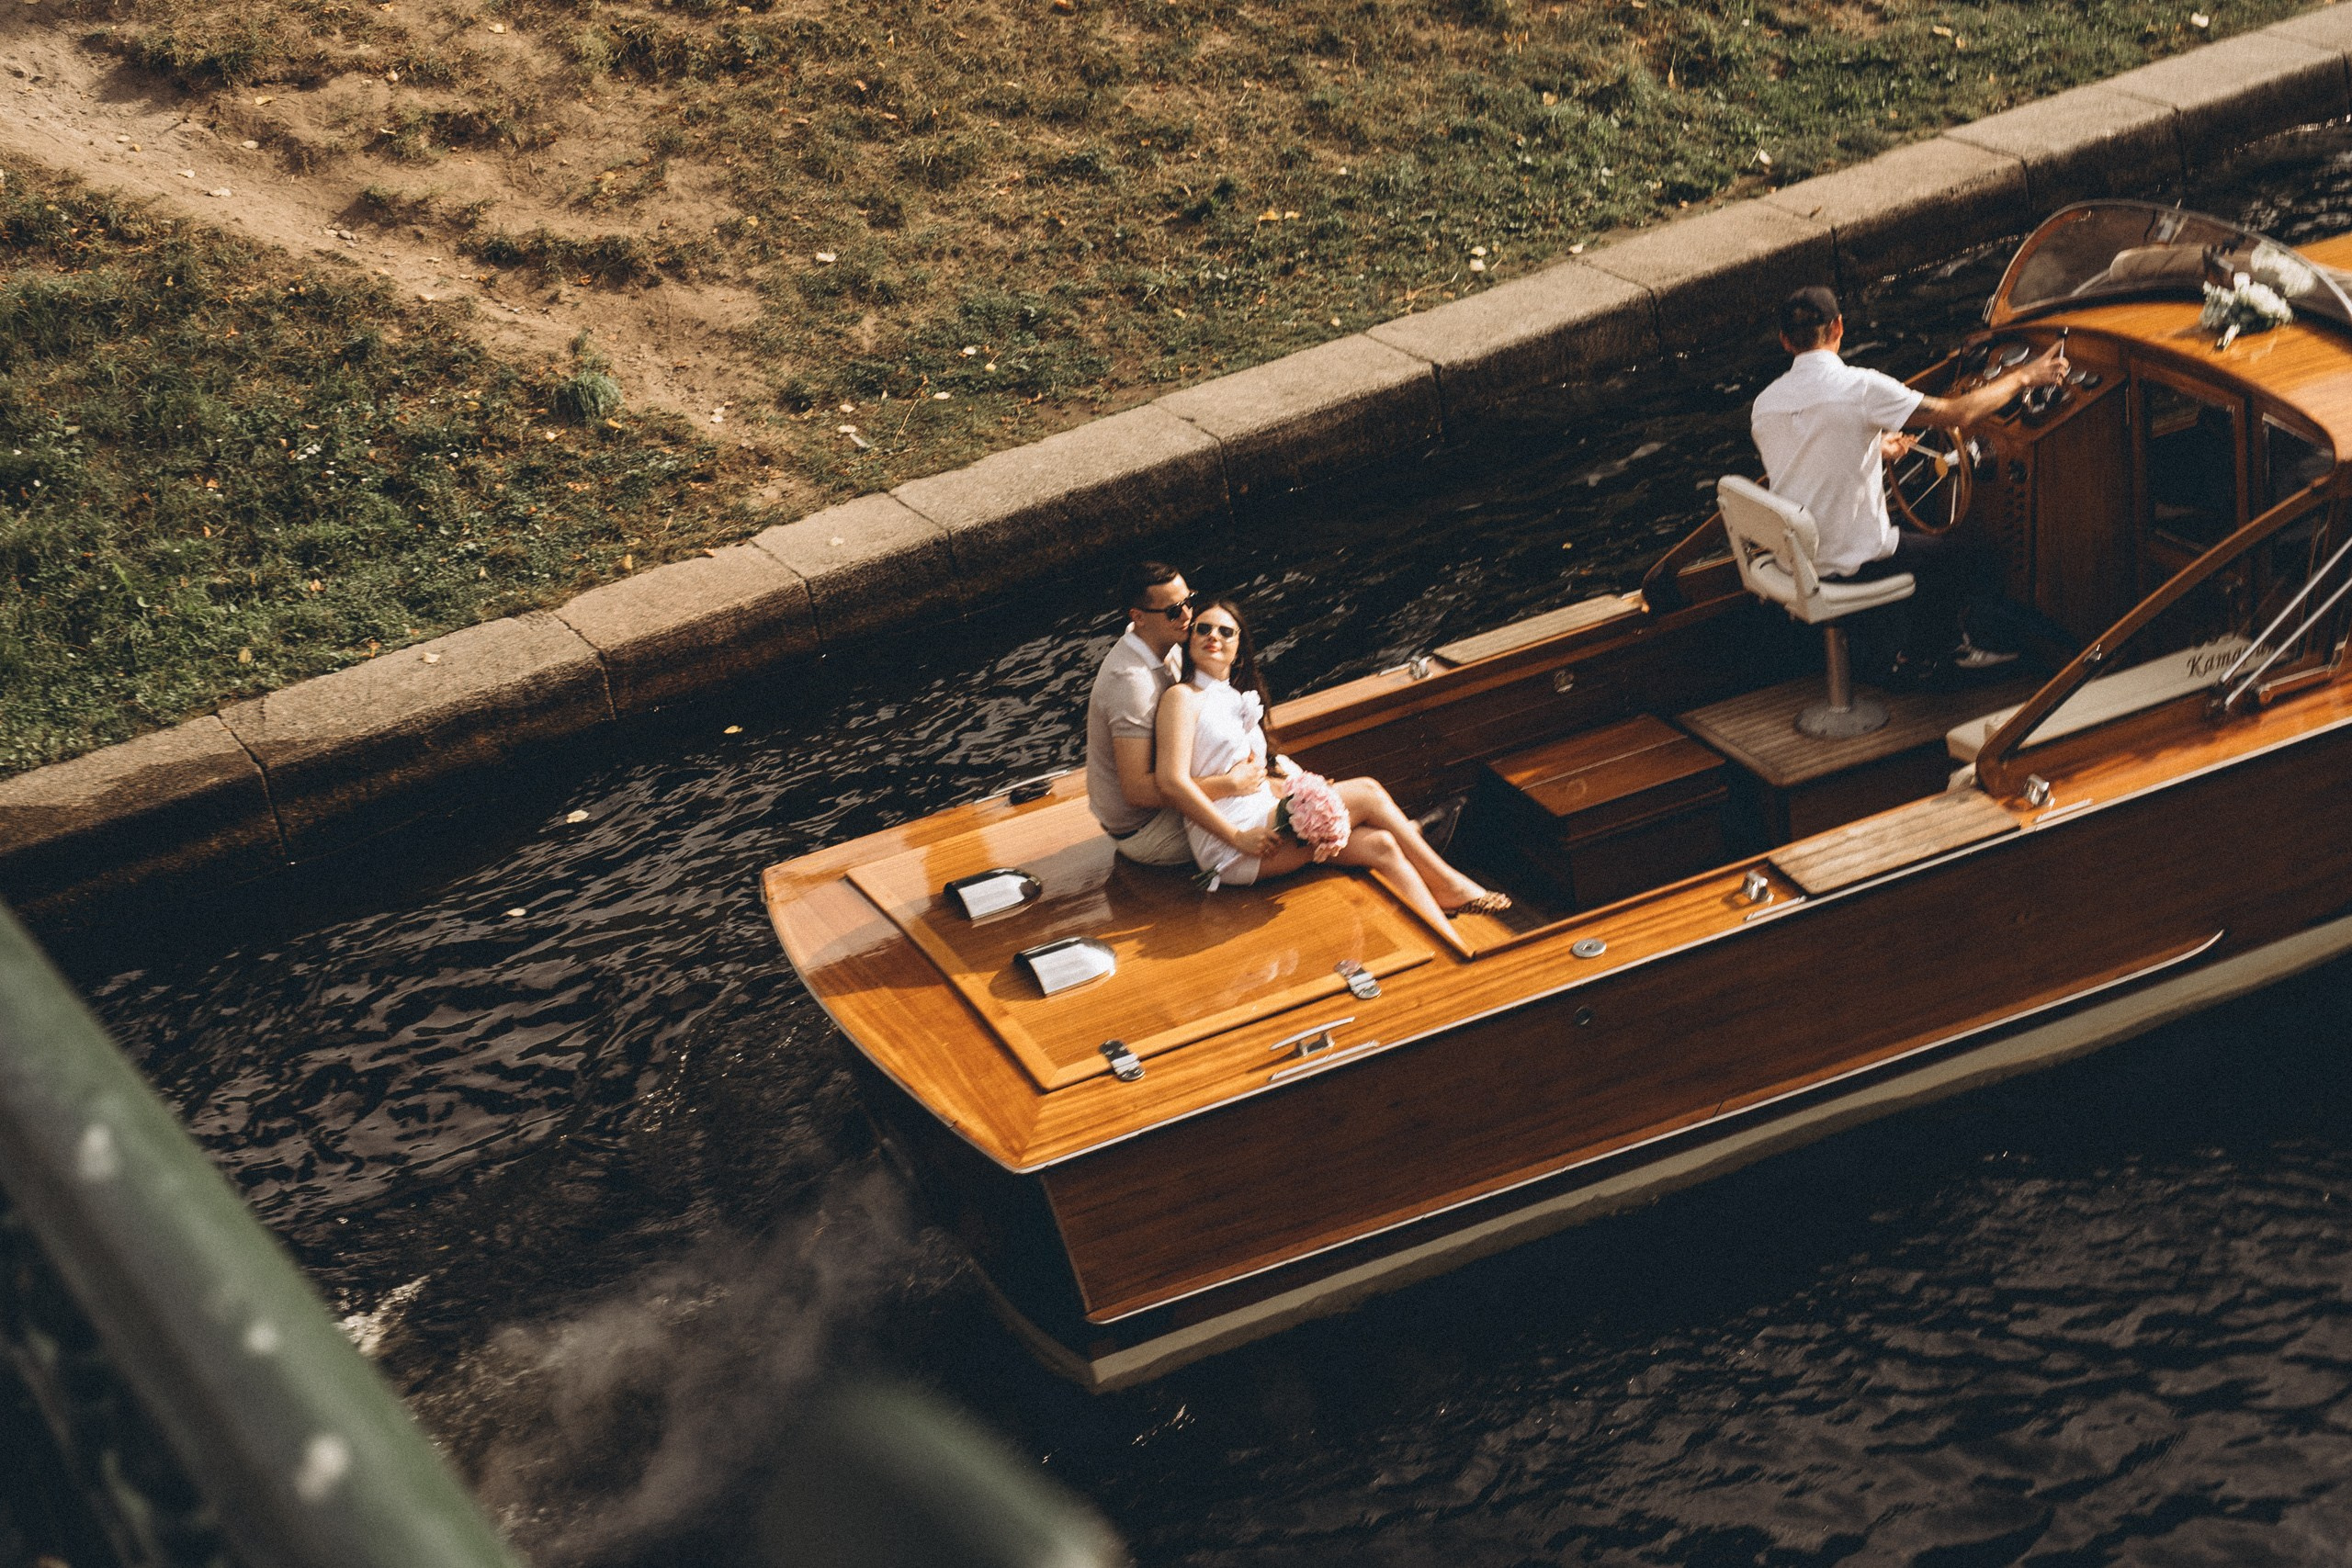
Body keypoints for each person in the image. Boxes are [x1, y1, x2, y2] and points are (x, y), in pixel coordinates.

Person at [1752, 285, 2071, 680]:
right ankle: (1933, 655)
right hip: (1847, 562)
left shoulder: (1765, 403)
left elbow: (1805, 454)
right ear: (1838, 327)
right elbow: (1959, 413)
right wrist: (2026, 375)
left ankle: (1904, 649)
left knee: (1924, 544)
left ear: (1785, 340)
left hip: (1795, 558)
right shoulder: (1862, 388)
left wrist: (1874, 446)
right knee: (1971, 557)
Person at [1153, 598, 1510, 929]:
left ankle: (1448, 937)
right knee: (1368, 791)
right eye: (1203, 628)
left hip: (1261, 818)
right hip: (1234, 841)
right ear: (1190, 641)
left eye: (1225, 631)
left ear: (1239, 651)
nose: (1212, 635)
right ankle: (1450, 884)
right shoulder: (1182, 698)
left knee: (1382, 845)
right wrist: (1237, 836)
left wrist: (1305, 791)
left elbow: (1256, 777)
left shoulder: (1235, 699)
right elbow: (1171, 783)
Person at [1086, 561, 1264, 864]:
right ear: (1137, 617)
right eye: (1173, 611)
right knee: (1277, 823)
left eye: (1189, 602)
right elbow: (1137, 791)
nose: (1187, 616)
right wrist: (1231, 785)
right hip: (1147, 829)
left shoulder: (1166, 642)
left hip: (1175, 795)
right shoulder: (1132, 684)